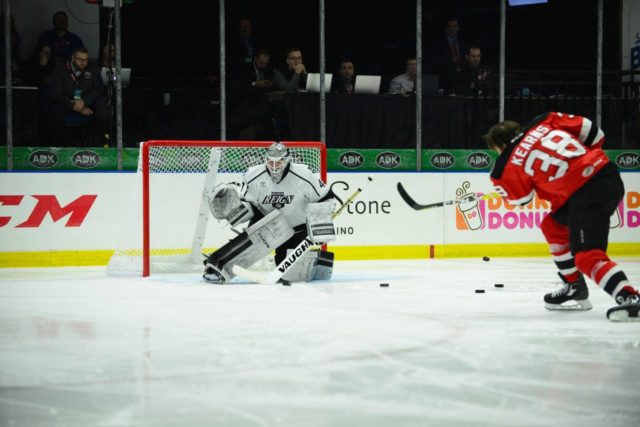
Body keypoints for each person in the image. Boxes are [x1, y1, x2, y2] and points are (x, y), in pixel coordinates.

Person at [484, 112, 639, 322]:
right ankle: (574, 286)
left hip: (587, 193)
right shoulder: (543, 120)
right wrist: (580, 164)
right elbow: (595, 133)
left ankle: (629, 298)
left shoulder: (504, 166)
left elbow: (522, 200)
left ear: (499, 146)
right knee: (552, 226)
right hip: (606, 175)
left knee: (587, 257)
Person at [203, 142, 337, 284]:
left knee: (291, 276)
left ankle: (318, 260)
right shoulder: (253, 175)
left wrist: (320, 225)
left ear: (287, 161)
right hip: (267, 224)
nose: (274, 167)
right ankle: (217, 266)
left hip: (297, 228)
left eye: (278, 163)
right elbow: (249, 206)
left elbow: (327, 198)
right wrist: (232, 211)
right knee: (247, 245)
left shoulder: (305, 175)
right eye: (270, 162)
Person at [48, 46, 108, 146]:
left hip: (86, 102)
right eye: (80, 59)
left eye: (86, 60)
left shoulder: (92, 68)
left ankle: (100, 143)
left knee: (102, 103)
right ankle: (57, 146)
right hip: (66, 103)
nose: (83, 63)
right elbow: (56, 93)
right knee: (55, 107)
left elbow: (99, 88)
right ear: (72, 58)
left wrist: (84, 101)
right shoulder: (60, 69)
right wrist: (75, 106)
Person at [430, 18, 468, 95]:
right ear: (446, 29)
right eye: (450, 27)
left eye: (455, 26)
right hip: (445, 82)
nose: (453, 29)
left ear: (458, 28)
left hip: (461, 82)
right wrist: (451, 60)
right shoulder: (439, 44)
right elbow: (434, 63)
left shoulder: (463, 44)